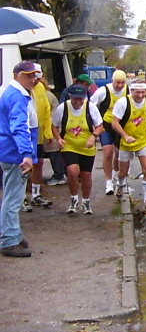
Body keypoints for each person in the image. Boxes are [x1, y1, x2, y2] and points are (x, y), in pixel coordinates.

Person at [0, 62, 39, 257]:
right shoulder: (17, 96)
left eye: (34, 76)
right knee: (13, 199)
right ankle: (8, 240)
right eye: (27, 76)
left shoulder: (14, 93)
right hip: (16, 154)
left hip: (11, 151)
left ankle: (14, 234)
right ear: (16, 76)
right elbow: (19, 127)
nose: (32, 80)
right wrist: (26, 154)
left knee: (13, 196)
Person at [51, 84, 104, 215]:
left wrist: (93, 136)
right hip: (69, 145)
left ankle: (86, 201)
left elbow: (100, 126)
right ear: (70, 97)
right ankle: (74, 198)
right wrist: (58, 139)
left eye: (81, 99)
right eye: (75, 99)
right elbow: (54, 126)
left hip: (87, 146)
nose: (78, 102)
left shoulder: (90, 107)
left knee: (86, 175)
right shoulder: (63, 108)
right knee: (73, 171)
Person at [111, 79, 146, 212]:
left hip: (142, 140)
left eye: (143, 92)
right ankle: (120, 185)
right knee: (123, 172)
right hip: (125, 142)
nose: (140, 95)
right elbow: (114, 123)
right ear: (131, 91)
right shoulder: (123, 103)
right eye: (137, 92)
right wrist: (125, 136)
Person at [90, 69, 129, 195]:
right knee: (108, 152)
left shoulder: (127, 91)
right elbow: (90, 106)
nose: (120, 86)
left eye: (122, 83)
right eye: (117, 83)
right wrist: (94, 124)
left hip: (120, 126)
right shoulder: (103, 91)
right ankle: (108, 182)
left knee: (118, 154)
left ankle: (114, 175)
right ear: (112, 80)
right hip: (105, 125)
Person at [26, 64, 54, 209]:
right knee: (24, 165)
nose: (35, 80)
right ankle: (22, 197)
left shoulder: (41, 88)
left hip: (38, 134)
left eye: (37, 77)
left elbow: (46, 111)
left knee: (39, 162)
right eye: (33, 77)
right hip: (25, 134)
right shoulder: (23, 90)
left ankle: (36, 194)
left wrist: (48, 133)